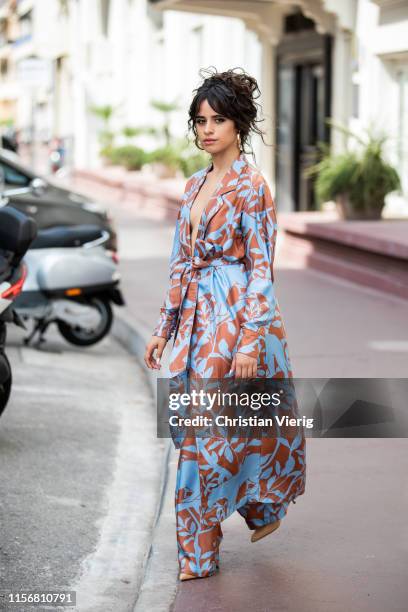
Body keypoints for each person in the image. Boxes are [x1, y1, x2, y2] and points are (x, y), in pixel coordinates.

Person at [144, 67, 306, 581]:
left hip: (235, 318)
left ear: (238, 124)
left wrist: (250, 339)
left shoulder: (252, 187)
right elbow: (179, 260)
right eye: (200, 121)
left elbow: (262, 266)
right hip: (195, 317)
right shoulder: (194, 185)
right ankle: (259, 507)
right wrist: (163, 328)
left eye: (217, 119)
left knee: (205, 435)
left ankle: (197, 553)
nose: (207, 129)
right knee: (192, 428)